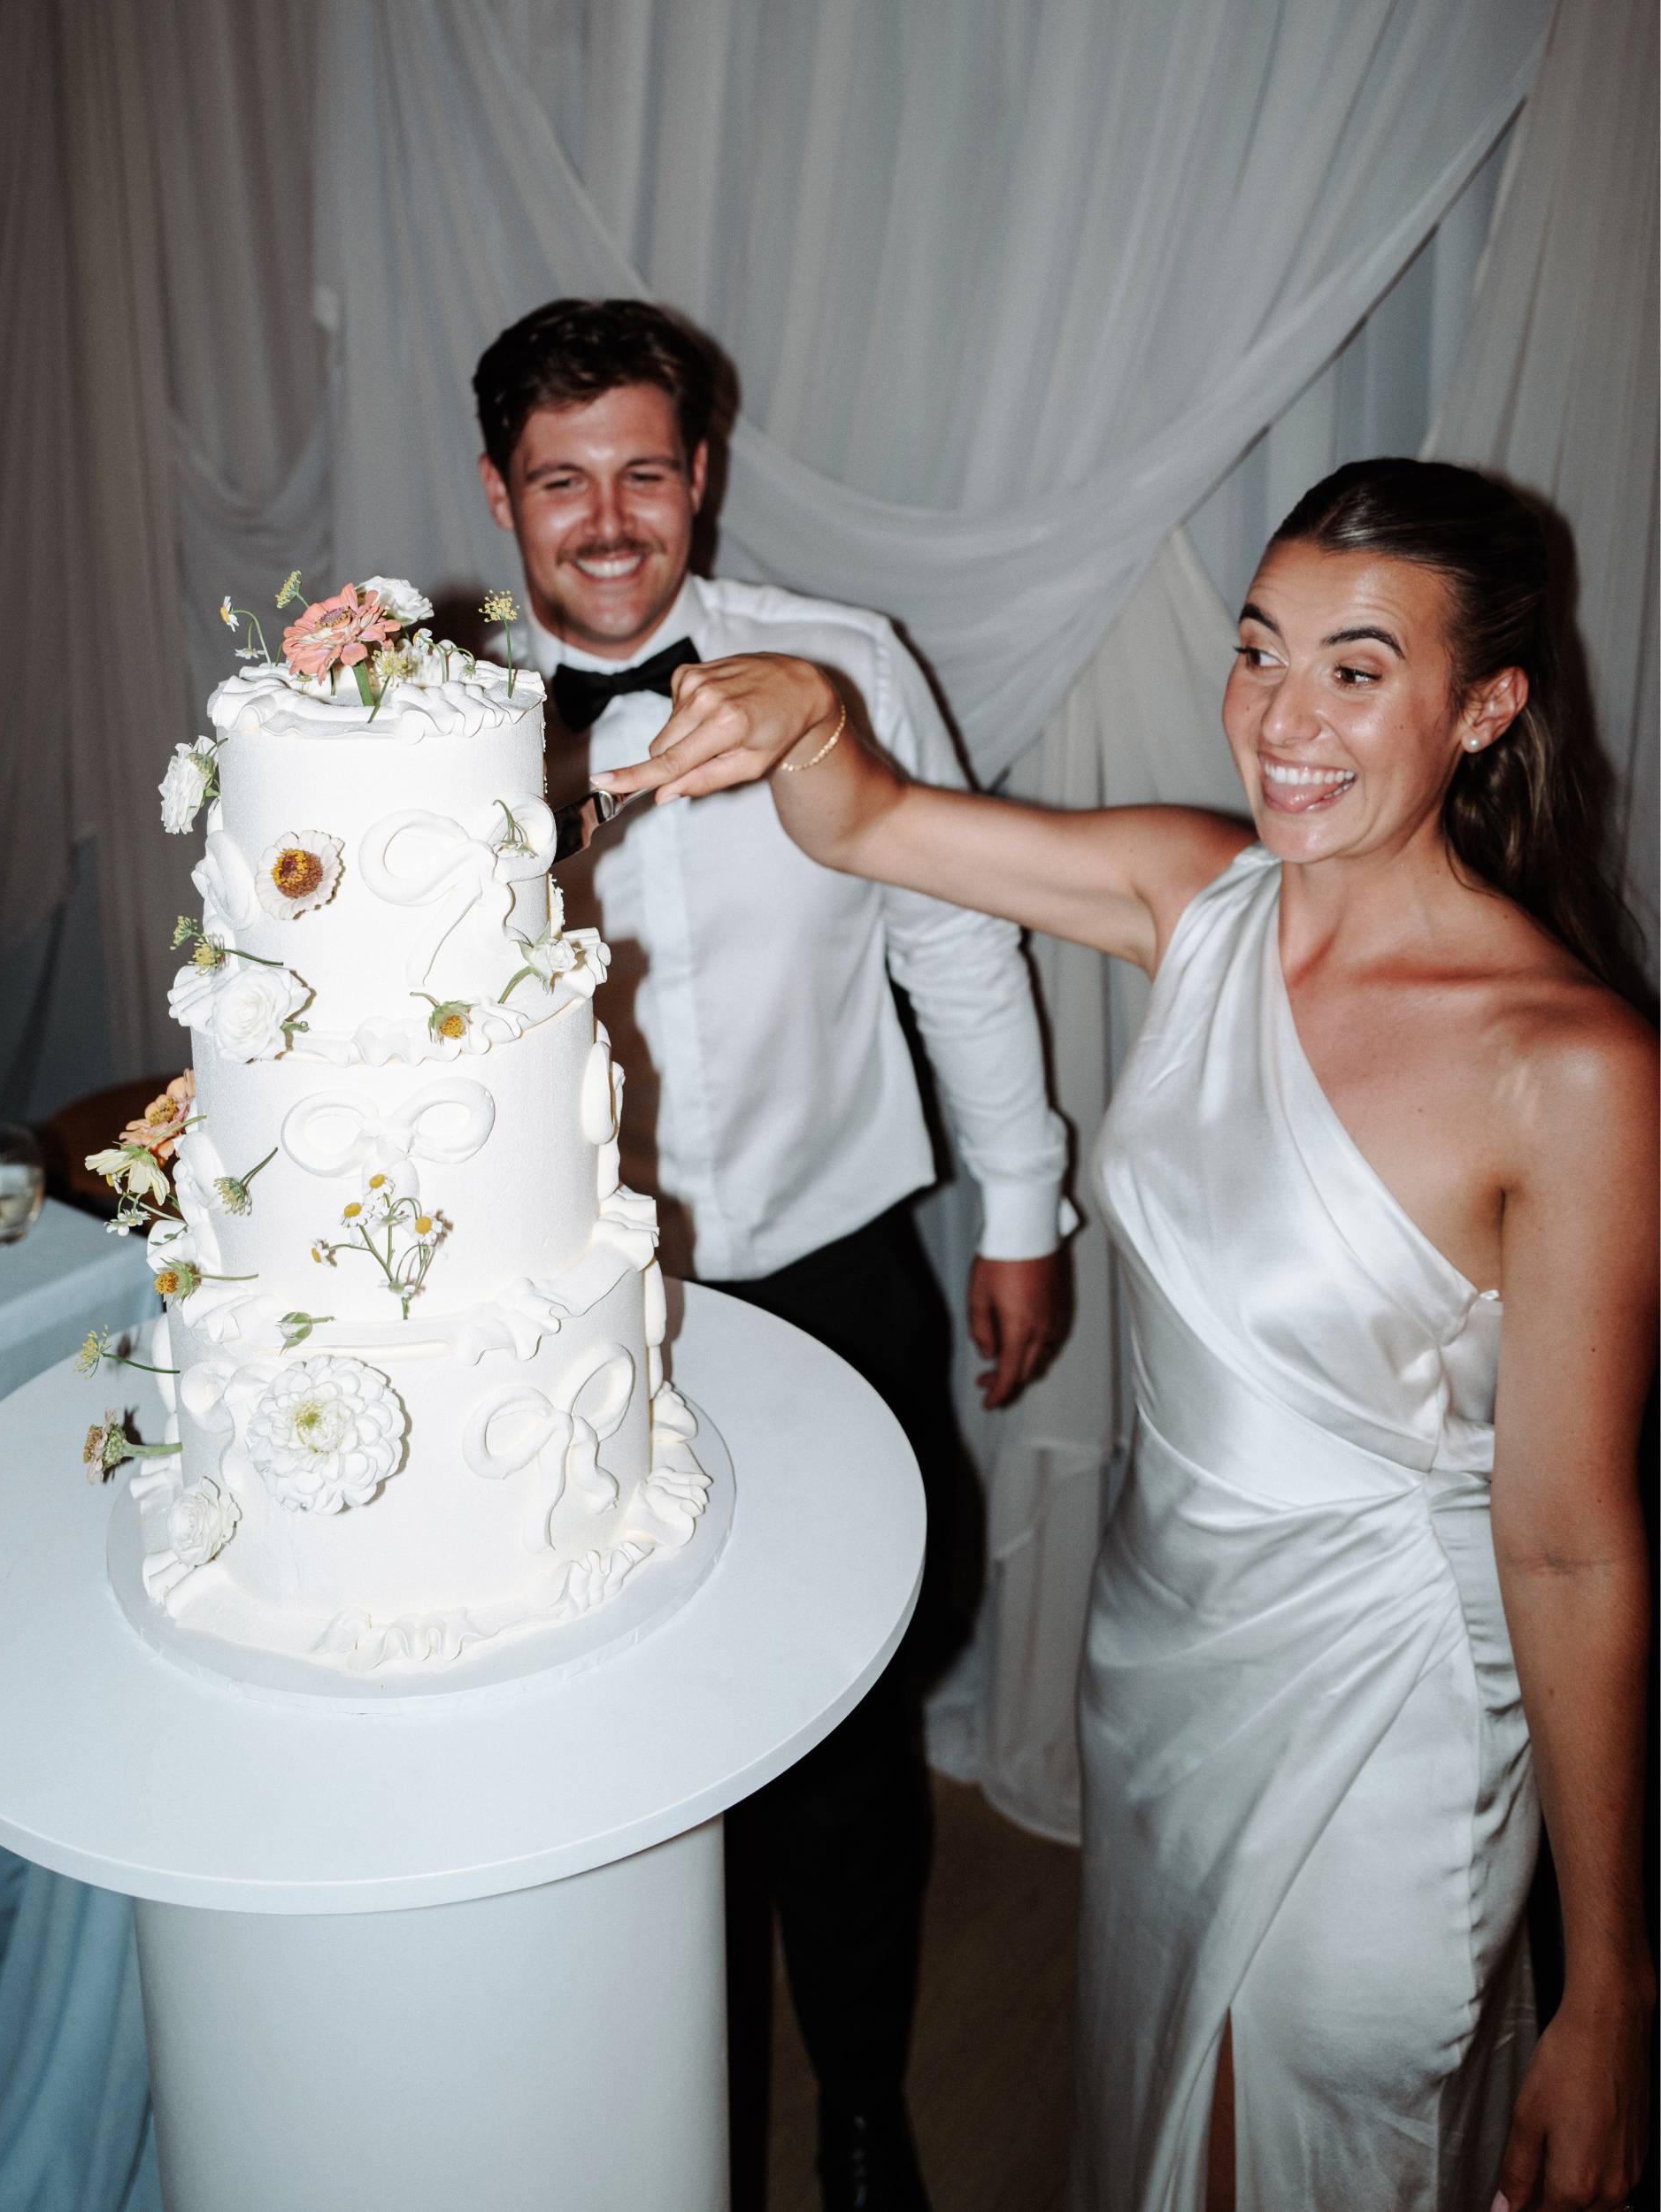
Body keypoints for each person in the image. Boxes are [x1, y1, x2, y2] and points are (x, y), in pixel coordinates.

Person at [593, 457, 1657, 2212]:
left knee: (1340, 2127)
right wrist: (803, 711)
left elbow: (1569, 1544)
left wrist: (1610, 1978)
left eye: (1357, 669)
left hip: (1382, 1717)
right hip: (1162, 1659)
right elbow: (869, 825)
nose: (1281, 719)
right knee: (1163, 2110)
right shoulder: (1195, 894)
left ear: (1486, 707)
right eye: (1259, 649)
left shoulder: (1573, 1070)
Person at [473, 298, 1074, 2211]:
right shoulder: (429, 718)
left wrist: (1024, 1202)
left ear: (704, 473)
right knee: (629, 1741)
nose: (609, 519)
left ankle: (870, 2112)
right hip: (567, 1309)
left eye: (645, 471)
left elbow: (956, 934)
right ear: (498, 493)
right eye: (562, 481)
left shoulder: (845, 661)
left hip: (832, 1275)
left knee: (848, 1734)